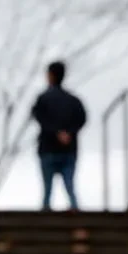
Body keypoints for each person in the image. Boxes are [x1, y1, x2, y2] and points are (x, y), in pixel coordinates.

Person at [31, 60, 88, 211]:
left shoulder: (43, 99)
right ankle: (75, 213)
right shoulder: (74, 100)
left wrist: (56, 132)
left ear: (50, 75)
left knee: (47, 189)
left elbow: (38, 117)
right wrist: (68, 133)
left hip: (48, 148)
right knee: (69, 185)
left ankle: (46, 214)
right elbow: (82, 119)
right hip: (69, 149)